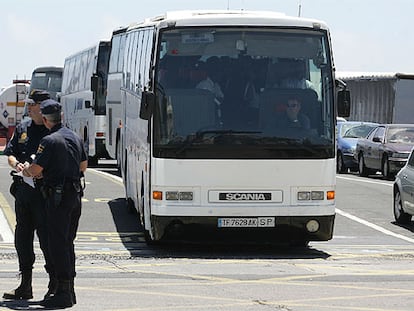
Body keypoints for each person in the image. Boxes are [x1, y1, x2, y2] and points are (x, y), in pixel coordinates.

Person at [22, 99, 88, 308]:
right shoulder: (75, 137)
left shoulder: (49, 141)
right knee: (68, 242)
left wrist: (25, 170)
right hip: (75, 196)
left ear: (44, 119)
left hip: (57, 198)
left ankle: (63, 293)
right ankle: (69, 289)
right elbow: (83, 166)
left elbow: (35, 170)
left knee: (57, 244)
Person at [2, 90, 57, 301]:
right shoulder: (24, 127)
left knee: (47, 241)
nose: (29, 107)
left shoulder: (53, 130)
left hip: (44, 194)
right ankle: (25, 285)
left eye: (33, 104)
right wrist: (17, 165)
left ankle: (54, 284)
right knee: (22, 240)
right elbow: (10, 154)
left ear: (43, 107)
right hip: (24, 192)